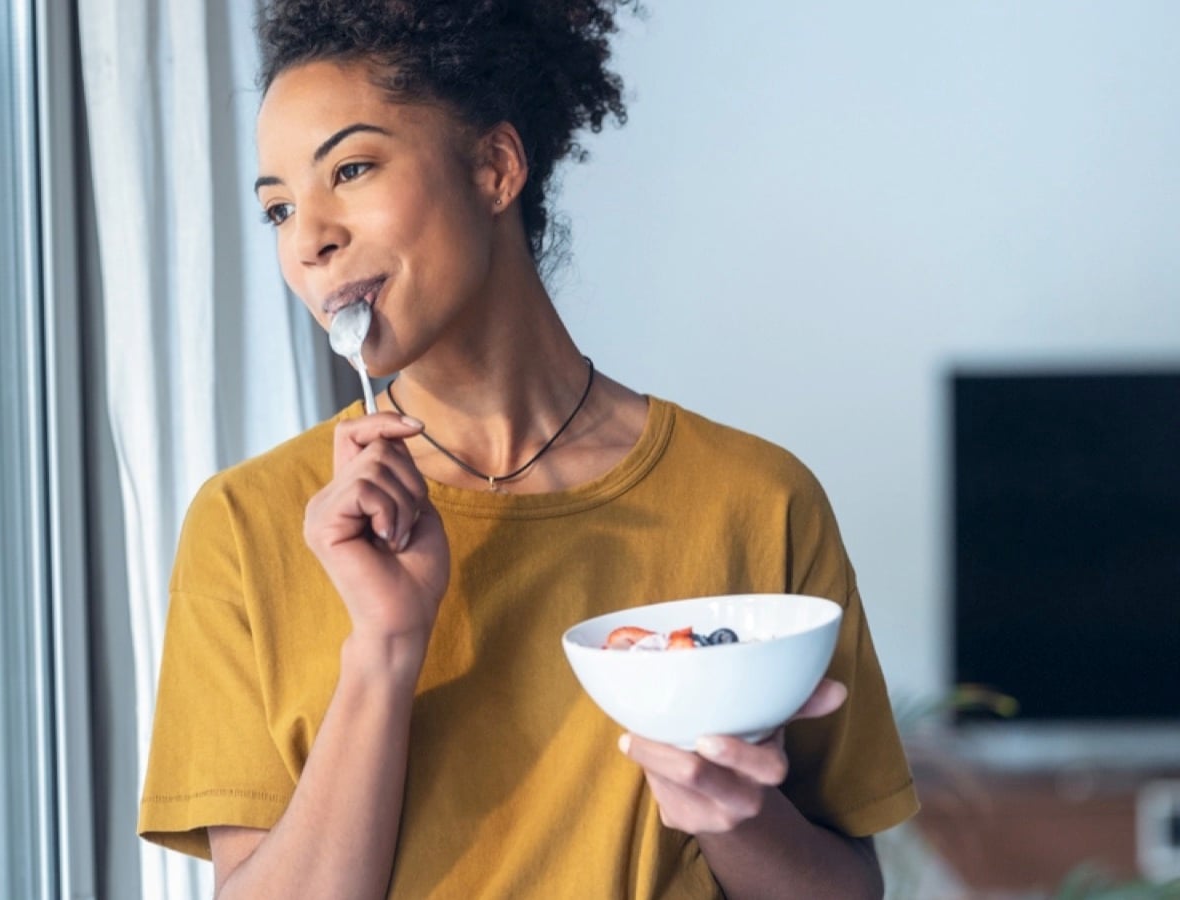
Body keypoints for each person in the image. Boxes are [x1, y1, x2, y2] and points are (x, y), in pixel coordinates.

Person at [138, 1, 918, 896]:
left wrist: (737, 815)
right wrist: (387, 646)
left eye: (350, 169)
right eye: (277, 208)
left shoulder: (757, 499)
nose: (309, 239)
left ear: (495, 166)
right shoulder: (249, 525)